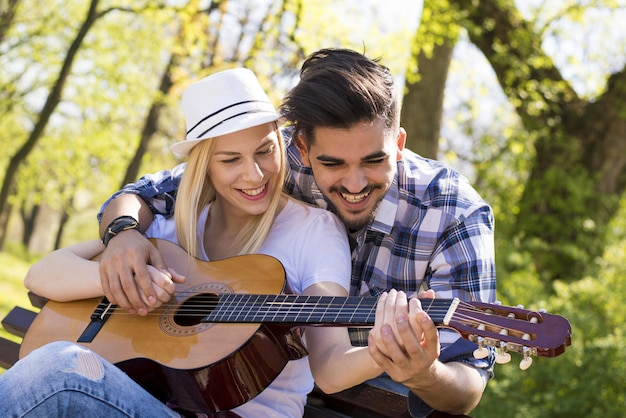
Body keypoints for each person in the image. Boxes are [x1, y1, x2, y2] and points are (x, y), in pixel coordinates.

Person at [97, 48, 497, 417]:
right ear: (302, 150)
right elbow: (147, 195)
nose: (355, 183)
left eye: (374, 160)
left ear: (398, 144)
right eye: (334, 164)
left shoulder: (455, 212)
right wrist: (123, 233)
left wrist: (422, 372)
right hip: (245, 383)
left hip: (375, 400)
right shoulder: (270, 160)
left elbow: (467, 382)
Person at [0, 68, 409, 418]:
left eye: (265, 151)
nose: (254, 175)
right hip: (144, 401)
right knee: (60, 368)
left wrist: (387, 350)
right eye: (230, 160)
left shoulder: (314, 231)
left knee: (60, 370)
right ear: (203, 167)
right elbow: (42, 275)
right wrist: (125, 278)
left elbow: (330, 364)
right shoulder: (171, 229)